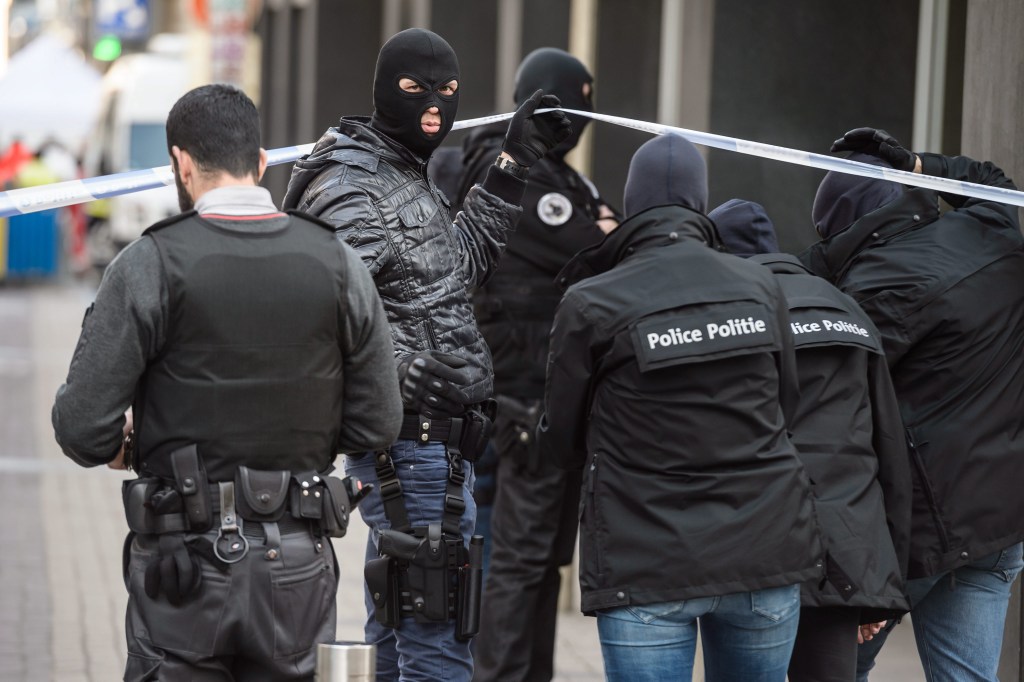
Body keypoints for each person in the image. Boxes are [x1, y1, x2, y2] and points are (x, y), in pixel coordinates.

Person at [51, 83, 403, 681]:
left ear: (181, 165)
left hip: (181, 565)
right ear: (262, 163)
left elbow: (82, 427)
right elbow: (378, 422)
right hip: (297, 561)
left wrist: (132, 445)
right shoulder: (337, 262)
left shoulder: (148, 264)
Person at [282, 28, 571, 681]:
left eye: (448, 90)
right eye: (417, 89)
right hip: (411, 446)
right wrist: (402, 369)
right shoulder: (353, 182)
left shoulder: (400, 173)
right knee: (435, 632)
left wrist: (513, 164)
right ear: (387, 89)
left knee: (404, 629)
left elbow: (453, 271)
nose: (436, 105)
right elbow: (324, 306)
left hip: (436, 450)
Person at [538, 134, 823, 682]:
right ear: (700, 201)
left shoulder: (592, 300)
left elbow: (561, 444)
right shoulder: (761, 286)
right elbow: (787, 405)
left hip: (646, 561)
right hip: (761, 550)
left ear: (630, 205)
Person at [801, 127, 1024, 682]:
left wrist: (860, 574)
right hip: (1000, 520)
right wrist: (921, 163)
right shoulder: (992, 229)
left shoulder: (874, 286)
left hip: (918, 537)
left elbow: (836, 420)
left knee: (827, 672)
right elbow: (994, 183)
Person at [451, 47, 617, 682]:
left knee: (518, 561)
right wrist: (599, 227)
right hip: (519, 407)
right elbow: (596, 248)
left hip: (509, 402)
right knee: (517, 564)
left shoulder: (528, 170)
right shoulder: (521, 174)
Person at [711, 198, 911, 682]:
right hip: (844, 550)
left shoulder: (727, 314)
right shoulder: (846, 307)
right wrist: (881, 581)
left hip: (755, 546)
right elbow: (890, 451)